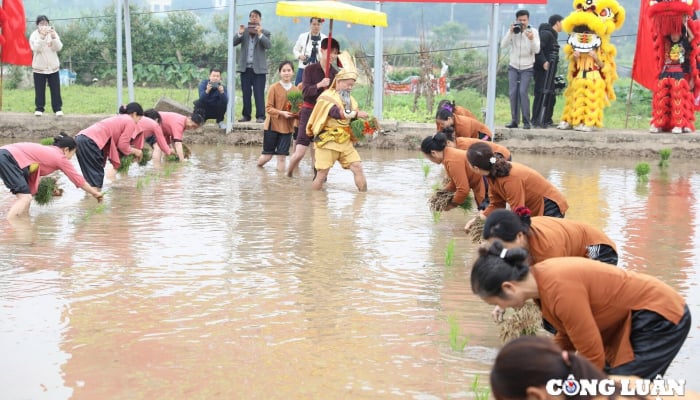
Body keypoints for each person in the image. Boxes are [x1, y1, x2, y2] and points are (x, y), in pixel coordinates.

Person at [471, 241, 691, 380]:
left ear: (508, 287)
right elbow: (568, 336)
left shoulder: (559, 289)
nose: (501, 309)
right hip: (637, 318)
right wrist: (540, 362)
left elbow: (591, 355)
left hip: (658, 316)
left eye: (496, 303)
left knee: (621, 388)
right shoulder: (542, 282)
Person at [0, 134, 103, 219]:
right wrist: (95, 193)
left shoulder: (48, 150)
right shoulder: (60, 158)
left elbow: (30, 175)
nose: (71, 158)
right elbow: (78, 180)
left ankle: (24, 220)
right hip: (7, 157)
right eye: (73, 153)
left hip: (5, 154)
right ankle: (12, 224)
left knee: (27, 196)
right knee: (25, 198)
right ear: (66, 150)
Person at [306, 51, 368, 191]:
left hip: (345, 141)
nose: (350, 88)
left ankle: (363, 198)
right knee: (322, 174)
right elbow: (336, 113)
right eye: (347, 84)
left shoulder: (351, 100)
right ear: (338, 82)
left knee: (358, 167)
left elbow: (352, 121)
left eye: (352, 85)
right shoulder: (327, 96)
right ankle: (315, 203)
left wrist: (365, 126)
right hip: (327, 141)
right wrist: (356, 114)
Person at [466, 141, 568, 221]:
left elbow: (519, 212)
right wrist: (480, 218)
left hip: (549, 205)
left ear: (475, 168)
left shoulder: (510, 179)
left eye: (468, 163)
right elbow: (497, 204)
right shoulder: (492, 174)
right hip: (533, 206)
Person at [483, 207, 618, 265]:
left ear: (519, 236)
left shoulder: (547, 249)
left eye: (500, 246)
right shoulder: (522, 233)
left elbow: (554, 284)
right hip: (569, 252)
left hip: (598, 249)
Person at [286, 38, 340, 178]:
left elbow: (336, 96)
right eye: (330, 52)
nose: (332, 56)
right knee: (300, 152)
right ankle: (288, 174)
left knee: (320, 151)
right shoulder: (309, 69)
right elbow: (305, 92)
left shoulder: (335, 74)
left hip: (325, 114)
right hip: (309, 112)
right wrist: (320, 85)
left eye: (335, 53)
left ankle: (320, 181)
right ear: (322, 50)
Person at [75, 102, 145, 189]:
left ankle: (89, 201)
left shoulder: (119, 118)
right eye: (139, 119)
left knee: (90, 179)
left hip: (80, 139)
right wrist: (137, 151)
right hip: (91, 142)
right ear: (134, 114)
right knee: (95, 180)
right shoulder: (130, 121)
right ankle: (93, 201)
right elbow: (122, 145)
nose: (138, 122)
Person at [421, 132, 487, 210]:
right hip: (481, 181)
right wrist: (442, 192)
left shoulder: (452, 161)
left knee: (490, 216)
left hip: (486, 182)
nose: (431, 161)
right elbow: (455, 183)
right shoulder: (449, 154)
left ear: (433, 153)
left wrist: (452, 205)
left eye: (429, 158)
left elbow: (463, 190)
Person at [501, 9, 540, 130]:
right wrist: (511, 33)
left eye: (524, 20)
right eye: (520, 20)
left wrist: (531, 39)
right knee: (513, 93)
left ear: (528, 20)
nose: (522, 22)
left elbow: (537, 50)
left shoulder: (533, 32)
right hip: (513, 66)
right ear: (516, 20)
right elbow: (503, 45)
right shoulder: (514, 30)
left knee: (523, 92)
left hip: (527, 67)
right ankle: (514, 120)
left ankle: (526, 121)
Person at [258, 61, 299, 171]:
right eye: (284, 71)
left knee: (282, 158)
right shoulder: (273, 88)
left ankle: (280, 183)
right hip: (273, 126)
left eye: (289, 70)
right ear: (280, 73)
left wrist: (296, 114)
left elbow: (297, 110)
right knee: (268, 156)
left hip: (287, 128)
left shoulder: (296, 90)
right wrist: (281, 113)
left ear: (293, 72)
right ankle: (257, 168)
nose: (286, 73)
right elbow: (268, 108)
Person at [234, 9, 271, 123]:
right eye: (252, 16)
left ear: (260, 19)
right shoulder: (244, 31)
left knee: (259, 93)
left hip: (259, 70)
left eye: (256, 16)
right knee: (246, 93)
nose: (254, 18)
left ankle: (260, 116)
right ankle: (246, 115)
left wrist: (260, 34)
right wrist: (239, 33)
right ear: (249, 18)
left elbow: (268, 45)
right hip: (245, 68)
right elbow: (233, 42)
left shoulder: (265, 32)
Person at [532, 14, 563, 128]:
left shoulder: (553, 35)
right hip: (542, 70)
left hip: (549, 72)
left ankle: (546, 119)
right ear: (557, 22)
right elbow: (537, 50)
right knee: (541, 93)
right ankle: (536, 120)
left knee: (550, 95)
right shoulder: (546, 34)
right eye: (562, 23)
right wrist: (544, 62)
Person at [29, 15, 63, 117]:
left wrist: (53, 37)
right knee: (39, 89)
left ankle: (57, 109)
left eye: (46, 24)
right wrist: (42, 37)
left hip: (53, 67)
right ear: (37, 25)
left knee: (55, 89)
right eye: (41, 24)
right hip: (39, 67)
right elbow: (36, 48)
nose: (44, 26)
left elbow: (58, 48)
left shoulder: (53, 33)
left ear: (49, 24)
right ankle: (39, 108)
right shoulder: (34, 35)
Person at [292, 17, 326, 86]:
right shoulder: (303, 36)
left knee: (316, 89)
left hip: (318, 68)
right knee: (299, 88)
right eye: (314, 24)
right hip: (303, 67)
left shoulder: (325, 38)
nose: (316, 27)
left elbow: (326, 55)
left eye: (318, 24)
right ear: (310, 25)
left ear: (321, 26)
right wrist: (299, 56)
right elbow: (295, 49)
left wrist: (319, 54)